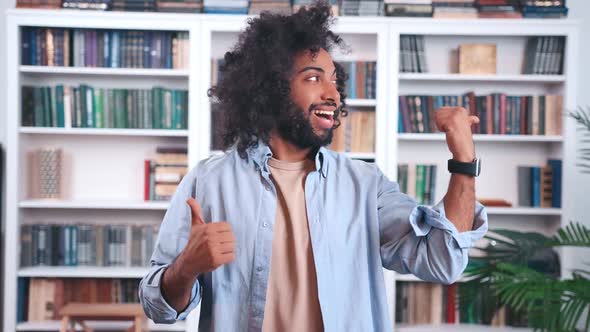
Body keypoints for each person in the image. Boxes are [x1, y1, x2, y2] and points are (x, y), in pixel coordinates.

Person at [138, 2, 488, 331]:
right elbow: (157, 307)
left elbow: (442, 260)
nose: (332, 94)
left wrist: (463, 159)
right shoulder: (209, 182)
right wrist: (186, 267)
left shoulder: (364, 185)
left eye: (334, 80)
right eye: (313, 78)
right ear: (270, 89)